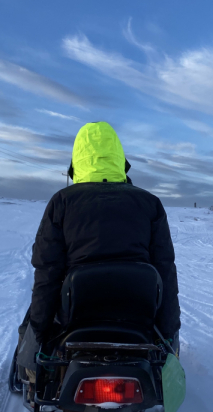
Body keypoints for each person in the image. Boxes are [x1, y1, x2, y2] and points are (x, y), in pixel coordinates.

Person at [15, 122, 180, 381]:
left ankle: (32, 375)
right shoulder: (150, 204)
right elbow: (166, 273)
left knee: (33, 318)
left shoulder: (62, 202)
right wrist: (170, 337)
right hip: (138, 314)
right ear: (120, 159)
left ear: (76, 162)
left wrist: (35, 337)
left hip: (76, 315)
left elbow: (48, 274)